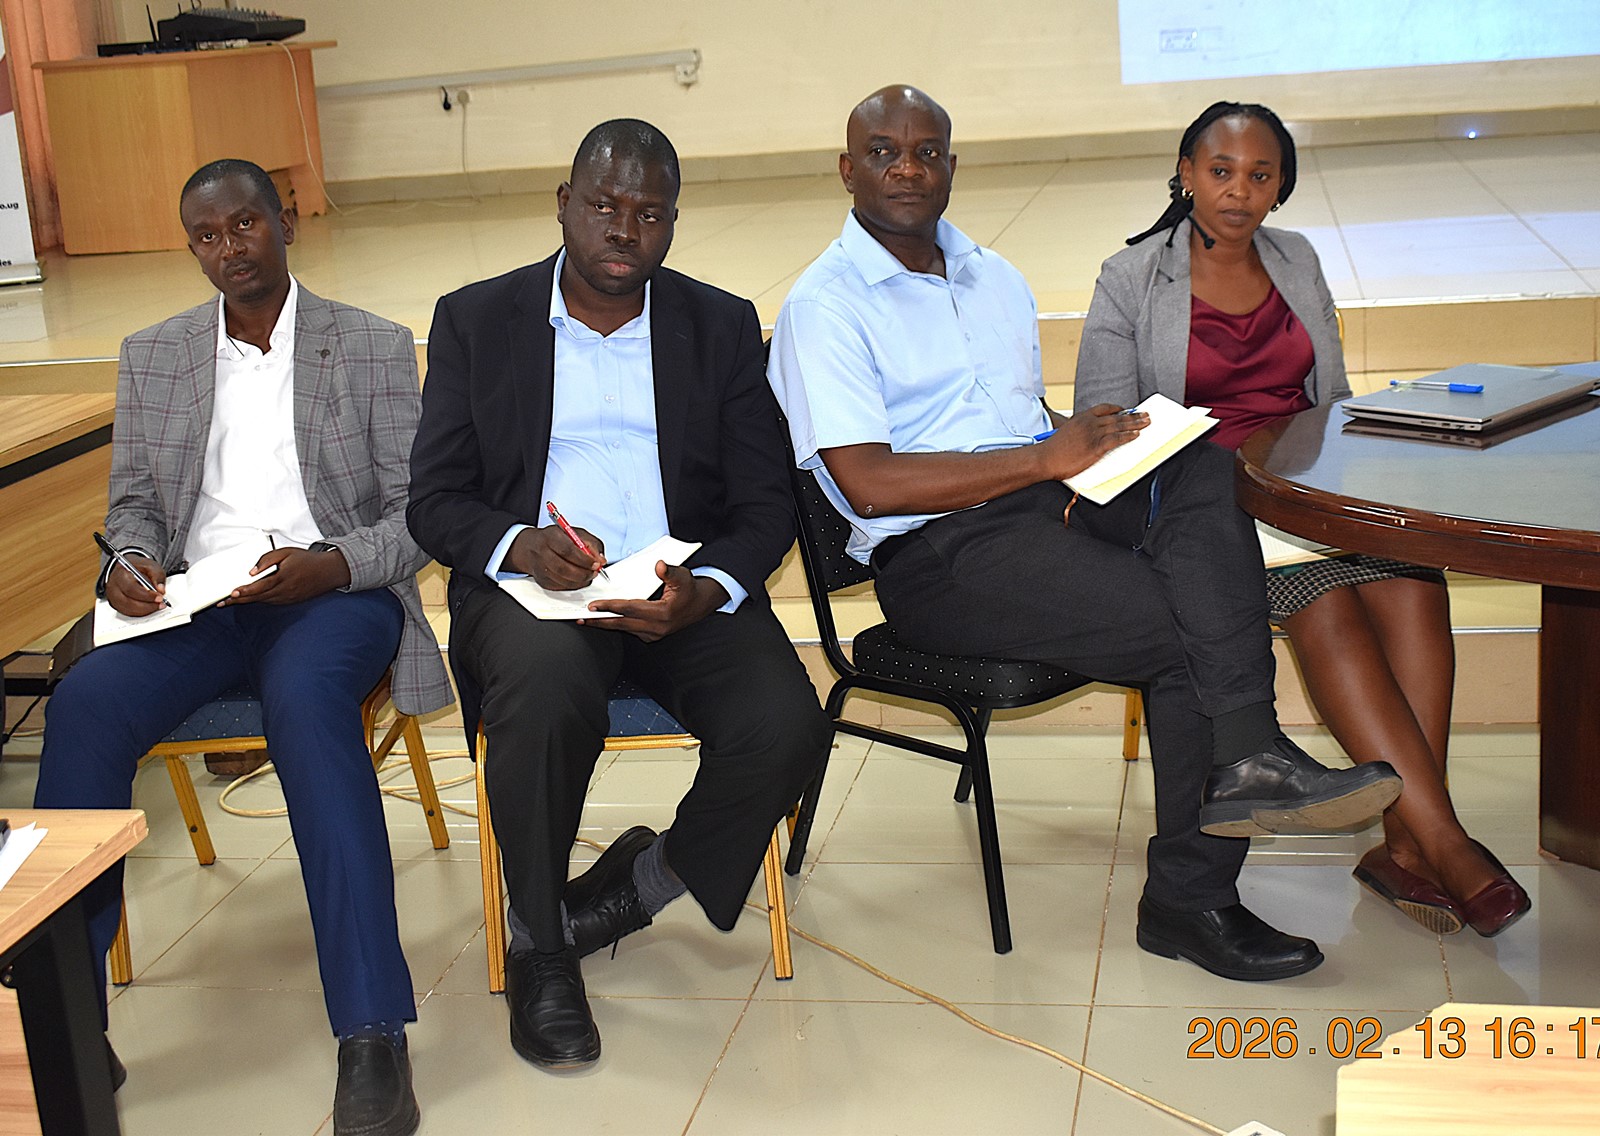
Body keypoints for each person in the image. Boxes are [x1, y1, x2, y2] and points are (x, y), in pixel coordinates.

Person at [769, 85, 1405, 983]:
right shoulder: (825, 307)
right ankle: (1196, 886)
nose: (907, 168)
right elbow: (867, 488)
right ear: (847, 169)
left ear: (953, 165)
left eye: (926, 152)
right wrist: (1043, 462)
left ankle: (1247, 761)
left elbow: (1024, 426)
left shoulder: (994, 277)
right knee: (1195, 627)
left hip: (1040, 505)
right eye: (883, 152)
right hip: (936, 557)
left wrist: (1100, 447)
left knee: (1200, 463)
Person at [34, 159, 451, 1136]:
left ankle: (372, 1031)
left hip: (329, 598)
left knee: (307, 706)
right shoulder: (158, 354)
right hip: (199, 602)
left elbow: (420, 515)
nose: (229, 249)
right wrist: (129, 561)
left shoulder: (374, 346)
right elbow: (135, 505)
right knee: (86, 702)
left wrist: (332, 563)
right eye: (207, 236)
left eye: (245, 226)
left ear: (286, 221)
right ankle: (65, 1015)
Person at [407, 119, 830, 1069]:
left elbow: (766, 505)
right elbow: (433, 502)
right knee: (549, 689)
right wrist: (519, 545)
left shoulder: (718, 325)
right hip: (533, 596)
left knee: (784, 723)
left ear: (673, 222)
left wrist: (710, 585)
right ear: (564, 205)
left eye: (649, 213)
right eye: (603, 206)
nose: (623, 230)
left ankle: (639, 886)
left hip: (678, 590)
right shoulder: (477, 319)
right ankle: (543, 947)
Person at [1074, 100, 1531, 939]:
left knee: (1413, 582)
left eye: (1260, 175)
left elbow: (1335, 400)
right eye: (1219, 171)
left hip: (1307, 490)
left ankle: (1404, 839)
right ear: (1183, 173)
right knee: (1328, 603)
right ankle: (1446, 842)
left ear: (1281, 187)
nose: (1238, 192)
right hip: (1205, 508)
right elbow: (1099, 425)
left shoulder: (1297, 259)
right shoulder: (1131, 276)